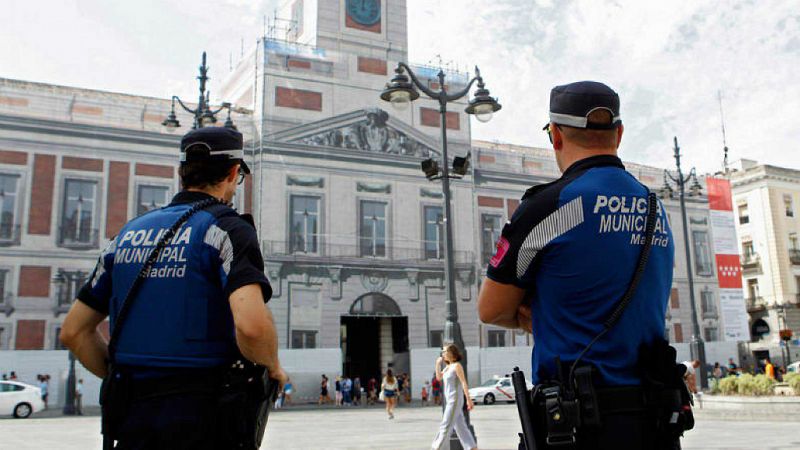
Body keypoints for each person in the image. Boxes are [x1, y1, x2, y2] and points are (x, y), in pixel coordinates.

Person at [478, 81, 680, 449]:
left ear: (555, 136)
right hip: (656, 422)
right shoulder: (656, 209)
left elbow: (491, 309)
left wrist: (540, 316)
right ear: (618, 134)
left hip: (581, 427)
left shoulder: (548, 207)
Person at [60, 126, 287, 450]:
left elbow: (73, 332)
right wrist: (273, 367)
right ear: (233, 173)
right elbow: (251, 326)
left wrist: (128, 380)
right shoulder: (226, 230)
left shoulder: (126, 236)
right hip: (205, 418)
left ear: (183, 173)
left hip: (132, 419)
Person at [431, 344, 477, 450]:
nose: (443, 353)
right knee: (461, 428)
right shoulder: (448, 367)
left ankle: (436, 447)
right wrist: (437, 364)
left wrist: (468, 400)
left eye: (445, 351)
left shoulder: (457, 366)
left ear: (452, 353)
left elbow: (464, 382)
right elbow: (439, 378)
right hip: (450, 400)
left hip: (454, 400)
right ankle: (472, 447)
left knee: (445, 425)